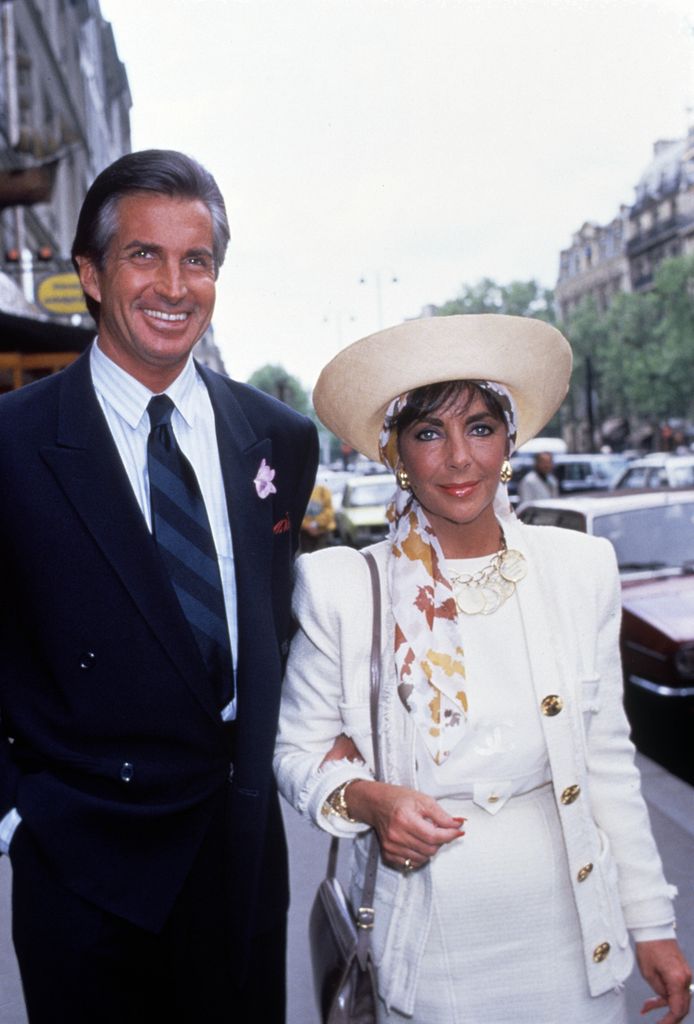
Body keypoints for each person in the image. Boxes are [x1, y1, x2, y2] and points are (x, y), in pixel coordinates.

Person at [274, 315, 691, 1024]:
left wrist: (651, 922)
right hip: (429, 954)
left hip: (571, 941)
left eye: (481, 426)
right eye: (430, 433)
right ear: (398, 453)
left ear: (509, 442)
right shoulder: (344, 588)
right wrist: (369, 799)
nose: (460, 458)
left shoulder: (578, 569)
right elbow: (296, 755)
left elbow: (607, 759)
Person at [0, 149, 318, 1023]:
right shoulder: (12, 441)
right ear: (92, 274)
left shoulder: (278, 438)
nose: (174, 285)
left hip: (241, 865)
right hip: (82, 872)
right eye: (145, 255)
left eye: (198, 259)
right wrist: (17, 818)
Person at [300, 481, 336, 552]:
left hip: (323, 532)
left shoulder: (323, 491)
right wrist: (307, 526)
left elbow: (329, 511)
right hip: (305, 534)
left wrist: (317, 524)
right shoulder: (300, 491)